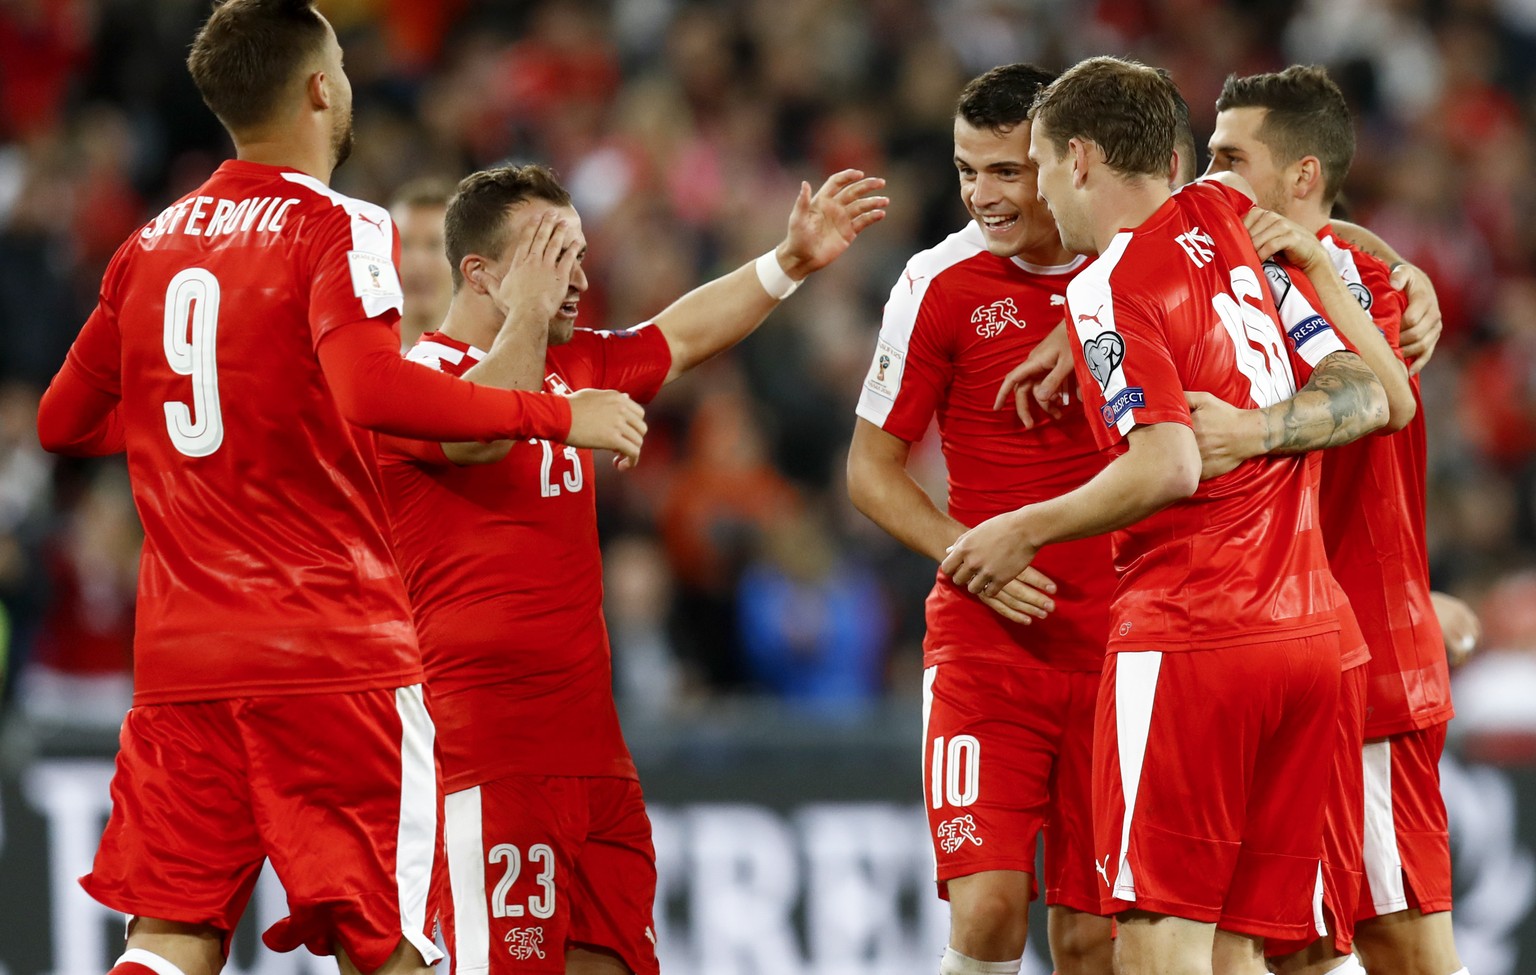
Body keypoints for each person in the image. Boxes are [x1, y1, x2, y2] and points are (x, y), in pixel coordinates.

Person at [32, 4, 646, 975]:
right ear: (322, 88)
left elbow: (61, 422)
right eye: (345, 65)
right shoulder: (339, 224)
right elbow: (374, 391)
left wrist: (198, 447)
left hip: (182, 661)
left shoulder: (149, 243)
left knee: (169, 938)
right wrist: (555, 416)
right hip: (327, 653)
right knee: (391, 941)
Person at [374, 162, 885, 975]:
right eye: (550, 255)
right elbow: (484, 429)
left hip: (597, 757)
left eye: (577, 253)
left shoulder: (574, 365)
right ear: (478, 273)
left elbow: (679, 334)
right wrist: (546, 352)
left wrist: (787, 262)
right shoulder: (410, 385)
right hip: (486, 759)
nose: (576, 277)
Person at [941, 56, 1385, 975]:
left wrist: (1023, 526)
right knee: (1252, 950)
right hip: (1309, 640)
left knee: (1156, 940)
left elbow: (1170, 462)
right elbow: (1369, 392)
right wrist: (1268, 426)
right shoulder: (1227, 218)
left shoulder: (1105, 286)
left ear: (1082, 161)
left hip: (1193, 638)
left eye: (1039, 162)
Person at [1195, 65, 1470, 975]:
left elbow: (1375, 396)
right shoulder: (1316, 270)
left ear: (1302, 176)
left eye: (1231, 158)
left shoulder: (1361, 291)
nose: (1209, 177)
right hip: (1300, 656)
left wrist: (1252, 430)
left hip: (1372, 665)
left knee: (1402, 945)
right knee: (1305, 942)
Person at [846, 63, 1114, 975]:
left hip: (1123, 645)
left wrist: (1085, 323)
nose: (982, 196)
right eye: (967, 170)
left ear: (1064, 160)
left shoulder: (1142, 265)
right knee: (992, 910)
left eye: (1006, 171)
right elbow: (870, 471)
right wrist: (970, 555)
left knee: (1094, 940)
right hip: (988, 640)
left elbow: (1260, 210)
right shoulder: (938, 281)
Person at [390, 177, 456, 351]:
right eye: (404, 244)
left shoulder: (491, 362)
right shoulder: (357, 362)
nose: (418, 262)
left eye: (433, 245)